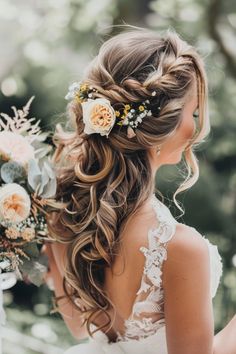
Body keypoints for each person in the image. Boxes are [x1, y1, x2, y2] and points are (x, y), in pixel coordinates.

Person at [42, 26, 236, 354]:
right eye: (194, 113)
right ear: (165, 121)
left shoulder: (63, 208)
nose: (196, 129)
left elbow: (78, 326)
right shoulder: (180, 249)